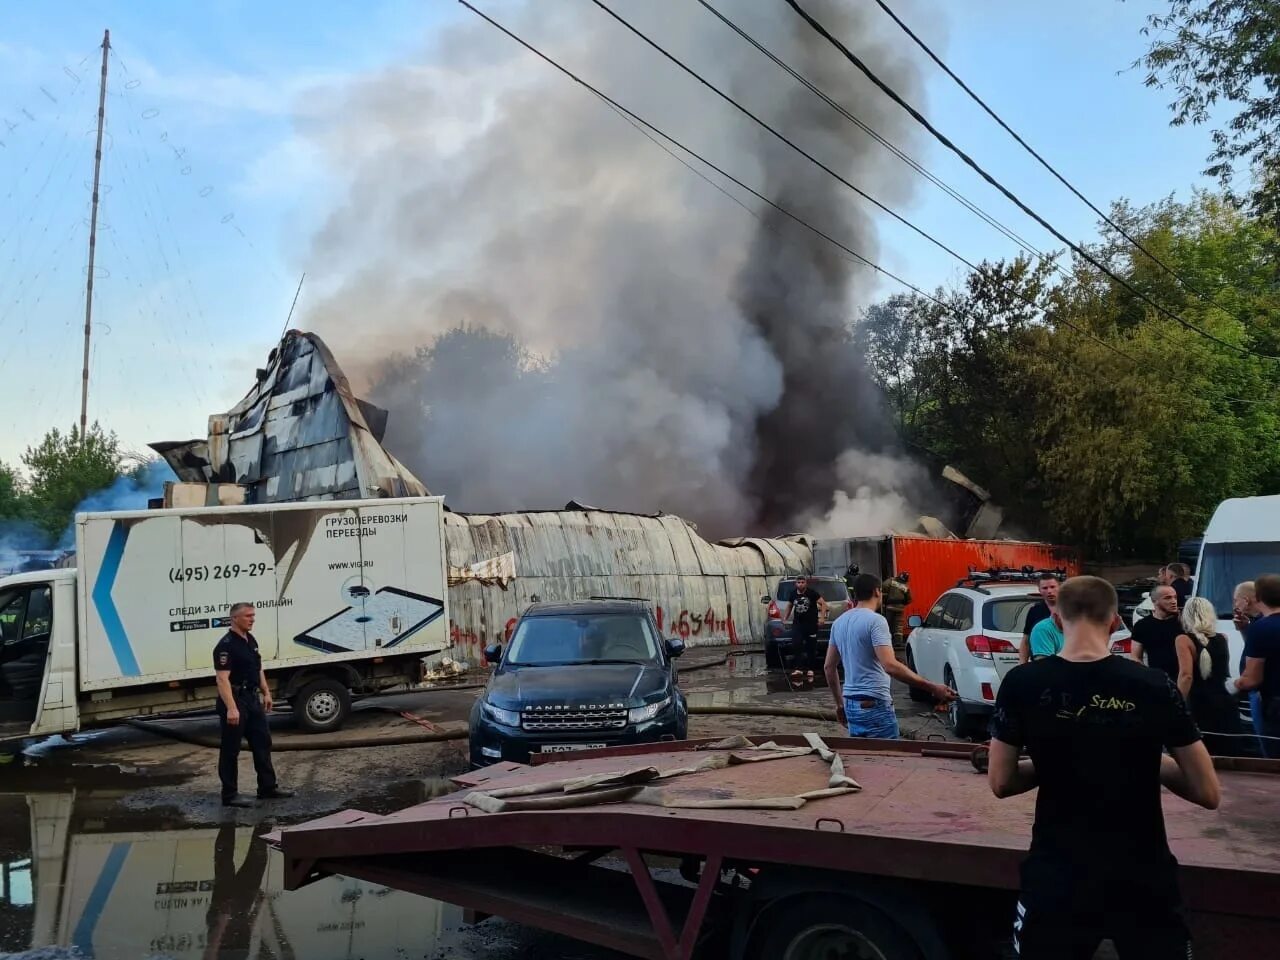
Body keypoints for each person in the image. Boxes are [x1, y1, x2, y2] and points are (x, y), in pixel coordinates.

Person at [988, 576, 1220, 958]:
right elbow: (1207, 792)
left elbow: (1001, 781)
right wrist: (1141, 756)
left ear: (1058, 621)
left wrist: (1059, 757)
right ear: (1115, 622)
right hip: (1143, 877)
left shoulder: (1022, 683)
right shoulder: (1154, 685)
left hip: (1058, 876)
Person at [824, 573, 955, 739]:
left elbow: (829, 667)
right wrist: (933, 688)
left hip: (850, 703)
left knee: (863, 759)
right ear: (877, 592)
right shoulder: (876, 621)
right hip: (874, 704)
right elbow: (890, 665)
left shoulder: (839, 623)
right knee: (889, 758)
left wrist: (839, 705)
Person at [214, 602, 293, 807]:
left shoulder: (250, 640)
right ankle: (230, 795)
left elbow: (257, 668)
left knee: (262, 742)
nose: (252, 619)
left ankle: (267, 788)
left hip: (252, 698)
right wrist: (231, 708)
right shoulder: (225, 646)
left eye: (253, 616)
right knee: (231, 749)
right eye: (248, 616)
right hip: (235, 699)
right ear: (235, 619)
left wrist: (266, 692)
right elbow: (222, 679)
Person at [1175, 596, 1242, 756]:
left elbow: (1186, 676)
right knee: (1228, 751)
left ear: (1187, 615)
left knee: (1202, 752)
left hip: (1199, 703)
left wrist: (1177, 703)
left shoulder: (1183, 640)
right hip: (1224, 700)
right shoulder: (1222, 638)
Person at [1231, 572, 1280, 760]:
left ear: (1257, 598)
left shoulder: (1262, 628)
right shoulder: (1258, 626)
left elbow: (1252, 679)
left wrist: (1232, 685)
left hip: (1274, 702)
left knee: (1274, 759)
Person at [1233, 581, 1264, 744]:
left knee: (1267, 742)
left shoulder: (1263, 624)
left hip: (1261, 693)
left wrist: (1239, 683)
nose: (1234, 605)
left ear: (1246, 600)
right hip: (1258, 692)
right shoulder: (1256, 623)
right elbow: (1254, 648)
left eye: (1235, 600)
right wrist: (1245, 629)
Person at [1130, 584, 1182, 683]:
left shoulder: (1184, 622)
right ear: (1154, 601)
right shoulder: (1142, 626)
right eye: (1168, 598)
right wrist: (1148, 677)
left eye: (1175, 597)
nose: (1173, 601)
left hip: (1185, 679)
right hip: (1158, 681)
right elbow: (1135, 657)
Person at [784, 576, 826, 681]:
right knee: (797, 644)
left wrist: (821, 618)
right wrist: (785, 618)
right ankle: (798, 668)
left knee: (811, 647)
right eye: (798, 582)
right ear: (795, 584)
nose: (801, 584)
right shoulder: (793, 594)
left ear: (806, 583)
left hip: (811, 624)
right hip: (798, 624)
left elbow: (824, 604)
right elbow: (789, 606)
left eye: (803, 582)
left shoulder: (812, 593)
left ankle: (811, 669)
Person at [1018, 574, 1059, 665]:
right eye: (1045, 588)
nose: (1049, 591)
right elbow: (1026, 640)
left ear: (1059, 587)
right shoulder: (1035, 611)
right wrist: (1022, 664)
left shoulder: (1069, 609)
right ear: (1039, 590)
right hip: (1040, 663)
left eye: (1052, 587)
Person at [881, 572, 912, 656]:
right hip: (900, 608)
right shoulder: (905, 587)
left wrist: (884, 601)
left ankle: (887, 641)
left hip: (889, 607)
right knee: (898, 625)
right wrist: (902, 604)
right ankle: (898, 642)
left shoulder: (890, 581)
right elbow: (909, 599)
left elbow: (883, 589)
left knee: (888, 624)